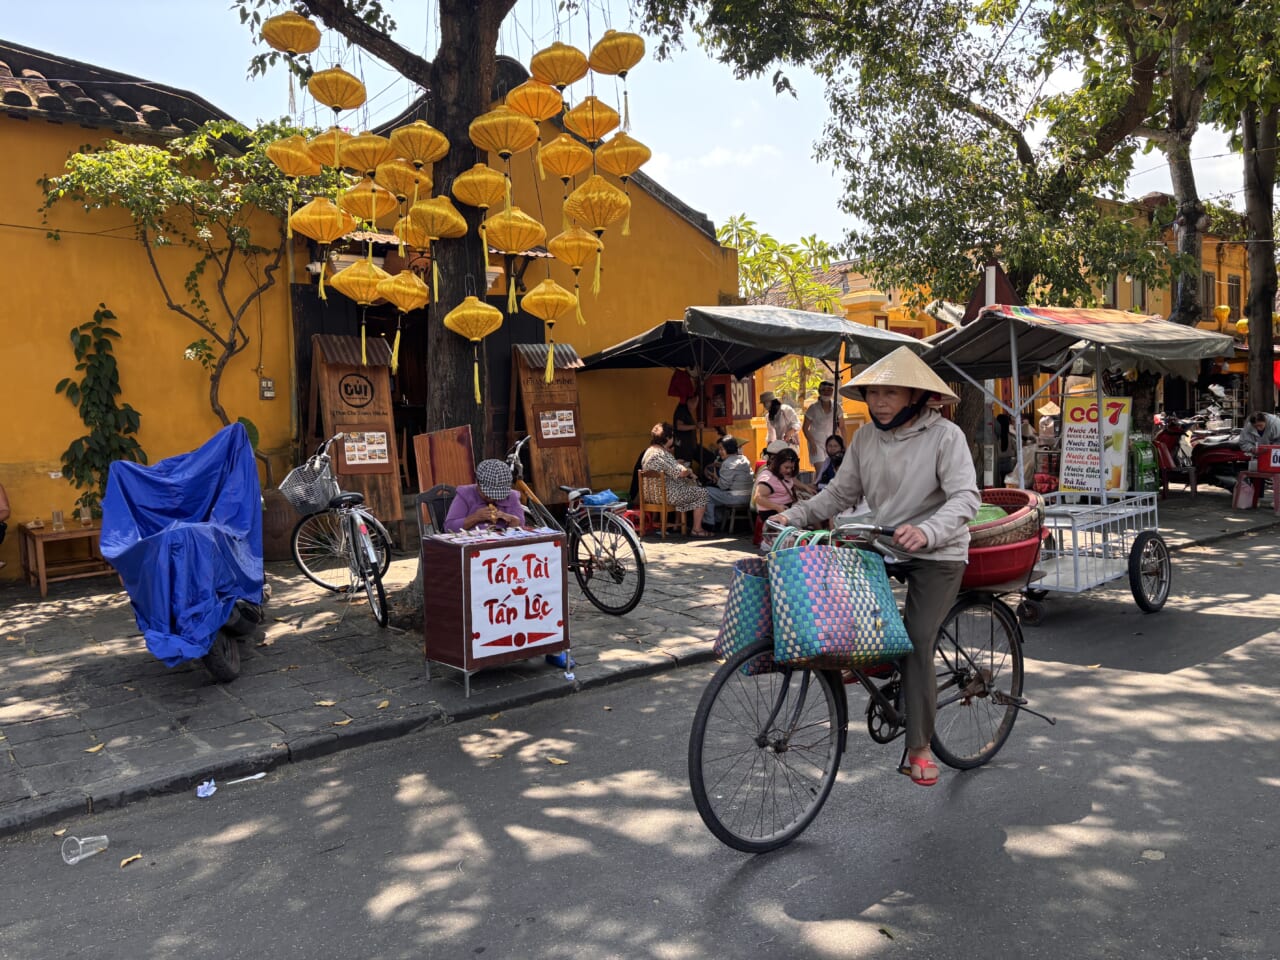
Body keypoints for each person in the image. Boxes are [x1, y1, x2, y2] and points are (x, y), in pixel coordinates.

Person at [776, 346, 979, 788]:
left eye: (890, 392)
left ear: (915, 395)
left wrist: (928, 532)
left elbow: (966, 498)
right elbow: (838, 494)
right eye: (873, 393)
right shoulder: (867, 438)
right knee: (833, 600)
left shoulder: (946, 437)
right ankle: (878, 662)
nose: (880, 401)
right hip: (883, 543)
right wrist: (792, 516)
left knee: (918, 638)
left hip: (938, 553)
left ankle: (920, 746)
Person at [640, 422, 712, 537]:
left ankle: (684, 525)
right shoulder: (661, 453)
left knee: (690, 487)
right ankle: (697, 529)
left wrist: (676, 464)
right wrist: (689, 471)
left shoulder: (649, 452)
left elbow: (666, 467)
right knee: (702, 493)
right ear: (668, 438)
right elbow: (681, 472)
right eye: (672, 436)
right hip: (666, 495)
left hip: (650, 495)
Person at [443, 459, 526, 533]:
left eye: (498, 495)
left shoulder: (512, 496)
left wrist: (511, 519)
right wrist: (475, 517)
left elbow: (521, 526)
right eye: (488, 494)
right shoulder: (465, 494)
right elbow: (449, 527)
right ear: (478, 483)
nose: (493, 498)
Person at [753, 445, 814, 530]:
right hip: (773, 512)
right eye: (786, 467)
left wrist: (806, 487)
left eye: (792, 468)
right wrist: (777, 507)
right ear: (778, 464)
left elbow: (792, 480)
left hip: (787, 509)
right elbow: (758, 498)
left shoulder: (783, 473)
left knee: (811, 508)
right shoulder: (767, 478)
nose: (789, 470)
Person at [703, 437, 753, 530]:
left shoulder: (727, 463)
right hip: (748, 496)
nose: (720, 452)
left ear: (729, 449)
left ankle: (709, 523)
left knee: (705, 492)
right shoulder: (744, 458)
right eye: (719, 449)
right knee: (713, 496)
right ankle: (718, 520)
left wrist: (716, 478)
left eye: (722, 449)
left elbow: (723, 486)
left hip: (737, 497)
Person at [803, 380, 842, 479]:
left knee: (830, 471)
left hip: (831, 443)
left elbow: (843, 427)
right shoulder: (813, 408)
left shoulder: (836, 406)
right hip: (816, 443)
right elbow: (805, 428)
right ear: (820, 391)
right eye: (824, 390)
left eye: (829, 390)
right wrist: (812, 443)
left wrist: (843, 444)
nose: (827, 393)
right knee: (821, 471)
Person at [672, 392, 701, 464]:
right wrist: (695, 426)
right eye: (695, 402)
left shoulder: (687, 411)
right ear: (689, 401)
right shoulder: (681, 410)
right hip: (683, 447)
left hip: (689, 447)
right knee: (684, 468)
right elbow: (679, 426)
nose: (696, 405)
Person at [994, 412, 1016, 481]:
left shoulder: (994, 437)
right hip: (1009, 463)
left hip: (997, 464)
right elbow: (1016, 450)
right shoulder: (1010, 436)